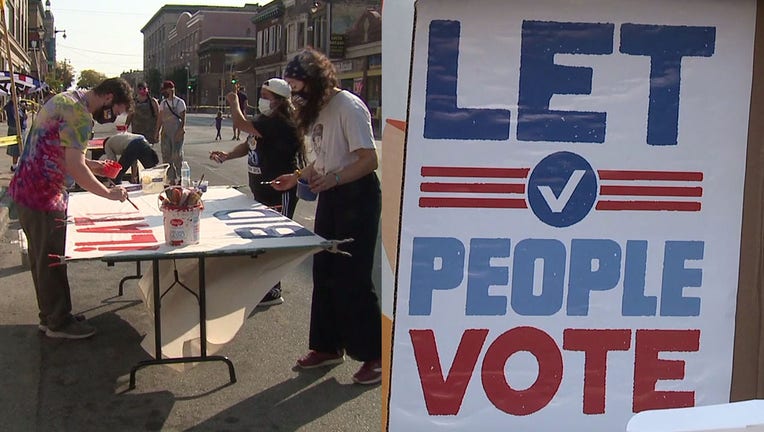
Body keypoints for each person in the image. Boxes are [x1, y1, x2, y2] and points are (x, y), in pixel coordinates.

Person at [272, 48, 382, 385]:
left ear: (316, 82)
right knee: (325, 271)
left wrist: (333, 179)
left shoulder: (348, 107)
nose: (295, 95)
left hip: (357, 196)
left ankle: (376, 354)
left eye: (298, 87)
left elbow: (368, 159)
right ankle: (327, 346)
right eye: (291, 89)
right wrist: (298, 176)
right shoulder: (318, 109)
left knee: (353, 277)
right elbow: (324, 157)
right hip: (331, 197)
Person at [8, 77, 132, 339]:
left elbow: (64, 152)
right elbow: (74, 166)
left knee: (46, 260)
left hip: (29, 191)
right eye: (113, 112)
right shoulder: (80, 114)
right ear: (108, 98)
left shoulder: (65, 99)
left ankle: (53, 315)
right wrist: (109, 192)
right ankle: (58, 322)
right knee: (51, 260)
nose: (110, 118)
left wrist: (94, 166)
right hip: (42, 195)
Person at [211, 78, 306, 306]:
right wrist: (228, 155)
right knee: (262, 237)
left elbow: (240, 123)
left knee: (274, 238)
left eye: (266, 96)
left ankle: (273, 290)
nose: (261, 100)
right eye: (261, 95)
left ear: (279, 101)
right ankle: (264, 285)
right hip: (261, 189)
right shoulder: (265, 121)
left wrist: (234, 103)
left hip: (279, 188)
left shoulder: (281, 122)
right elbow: (249, 143)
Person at [154, 80, 186, 184]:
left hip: (177, 132)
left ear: (171, 89)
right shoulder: (163, 103)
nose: (164, 92)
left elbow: (183, 120)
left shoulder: (180, 103)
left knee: (176, 155)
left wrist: (180, 131)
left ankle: (180, 177)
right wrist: (157, 132)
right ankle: (171, 178)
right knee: (166, 155)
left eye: (166, 89)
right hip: (166, 133)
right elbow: (160, 119)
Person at [4, 98, 27, 171]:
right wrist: (22, 116)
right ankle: (14, 165)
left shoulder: (17, 105)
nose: (18, 98)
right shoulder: (11, 107)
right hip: (15, 129)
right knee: (15, 149)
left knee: (20, 148)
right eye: (17, 96)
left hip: (21, 128)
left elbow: (22, 116)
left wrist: (23, 110)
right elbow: (16, 118)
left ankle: (17, 164)